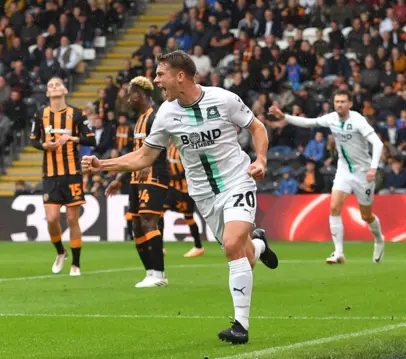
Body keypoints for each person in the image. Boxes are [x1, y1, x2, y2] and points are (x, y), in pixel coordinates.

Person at [82, 50, 277, 345]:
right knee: (244, 256)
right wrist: (103, 165)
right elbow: (145, 156)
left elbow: (257, 127)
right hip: (203, 195)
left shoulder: (223, 99)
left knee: (232, 245)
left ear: (180, 76)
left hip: (238, 181)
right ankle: (260, 244)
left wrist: (260, 159)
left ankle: (240, 325)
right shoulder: (166, 113)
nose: (156, 80)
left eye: (161, 74)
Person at [269, 89, 386, 264]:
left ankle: (379, 239)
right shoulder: (331, 118)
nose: (339, 104)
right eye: (337, 101)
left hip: (363, 173)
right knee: (334, 207)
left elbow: (378, 143)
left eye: (343, 101)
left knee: (366, 216)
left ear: (350, 104)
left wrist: (373, 169)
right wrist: (284, 116)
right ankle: (339, 252)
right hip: (344, 171)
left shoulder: (358, 120)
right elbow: (308, 122)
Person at [105, 76, 169, 288]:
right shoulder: (140, 119)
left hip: (154, 175)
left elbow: (160, 147)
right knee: (137, 226)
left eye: (130, 93)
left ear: (140, 94)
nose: (127, 98)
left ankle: (159, 274)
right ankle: (150, 273)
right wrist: (120, 178)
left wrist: (147, 166)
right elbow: (136, 153)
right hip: (135, 176)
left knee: (149, 220)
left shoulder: (156, 116)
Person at [30, 77, 95, 276]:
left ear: (65, 90)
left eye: (57, 84)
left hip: (72, 173)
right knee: (51, 218)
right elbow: (33, 140)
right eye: (50, 85)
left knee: (72, 219)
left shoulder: (76, 114)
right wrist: (44, 146)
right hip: (50, 175)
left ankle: (76, 263)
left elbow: (91, 139)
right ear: (48, 93)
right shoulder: (40, 114)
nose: (54, 87)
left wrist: (72, 138)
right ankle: (61, 251)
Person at [165, 141, 205, 257]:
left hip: (185, 189)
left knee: (188, 217)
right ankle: (159, 247)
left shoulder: (186, 148)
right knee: (160, 212)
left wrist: (173, 177)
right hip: (172, 188)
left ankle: (198, 246)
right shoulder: (170, 146)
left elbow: (189, 169)